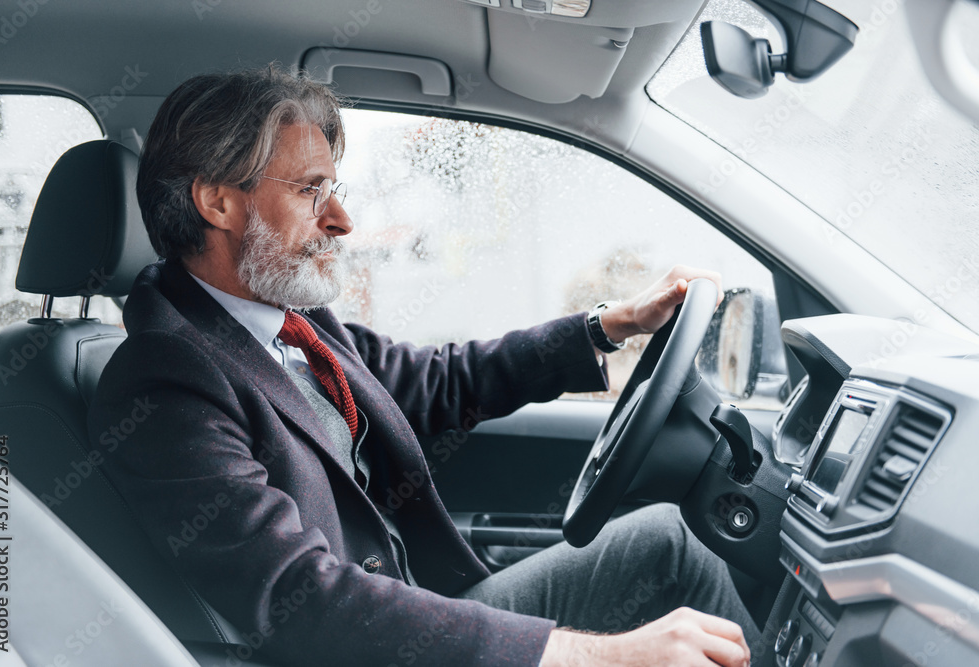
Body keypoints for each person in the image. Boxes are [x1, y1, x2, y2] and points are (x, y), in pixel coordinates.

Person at [88, 67, 758, 667]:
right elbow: (300, 598)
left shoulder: (289, 321)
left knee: (667, 538)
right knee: (669, 559)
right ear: (219, 203)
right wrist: (592, 657)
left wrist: (612, 324)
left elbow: (441, 381)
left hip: (421, 604)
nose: (343, 219)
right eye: (312, 191)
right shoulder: (164, 382)